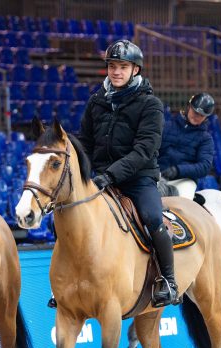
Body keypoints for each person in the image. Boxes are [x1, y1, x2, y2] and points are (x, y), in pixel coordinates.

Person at [77, 39, 179, 307]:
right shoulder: (96, 101)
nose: (116, 71)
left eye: (123, 66)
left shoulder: (151, 105)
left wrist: (110, 175)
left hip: (138, 179)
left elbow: (144, 150)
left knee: (153, 218)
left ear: (135, 69)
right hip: (99, 177)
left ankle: (168, 280)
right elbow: (85, 143)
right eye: (112, 66)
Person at [158, 92, 216, 200]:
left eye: (201, 115)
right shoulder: (166, 127)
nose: (197, 116)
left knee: (183, 205)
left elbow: (204, 167)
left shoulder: (205, 139)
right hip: (158, 175)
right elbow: (152, 150)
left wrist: (178, 170)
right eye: (195, 112)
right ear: (189, 107)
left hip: (183, 181)